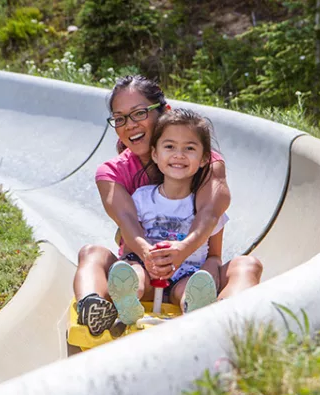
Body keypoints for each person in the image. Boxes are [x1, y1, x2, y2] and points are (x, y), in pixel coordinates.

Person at [74, 75, 263, 336]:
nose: (130, 125)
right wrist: (149, 256)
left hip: (190, 267)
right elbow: (127, 220)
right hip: (139, 265)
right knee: (92, 252)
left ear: (165, 113)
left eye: (139, 113)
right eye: (120, 118)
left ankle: (226, 318)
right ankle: (94, 306)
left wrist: (183, 251)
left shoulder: (204, 162)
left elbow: (210, 213)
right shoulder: (112, 173)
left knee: (247, 265)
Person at [108, 107, 230, 325]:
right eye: (170, 147)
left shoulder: (206, 206)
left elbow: (214, 254)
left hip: (187, 271)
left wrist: (207, 272)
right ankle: (128, 299)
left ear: (204, 158)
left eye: (189, 148)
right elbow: (128, 246)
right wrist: (148, 259)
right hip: (147, 264)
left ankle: (193, 305)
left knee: (188, 288)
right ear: (155, 154)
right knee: (134, 273)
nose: (179, 155)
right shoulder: (141, 198)